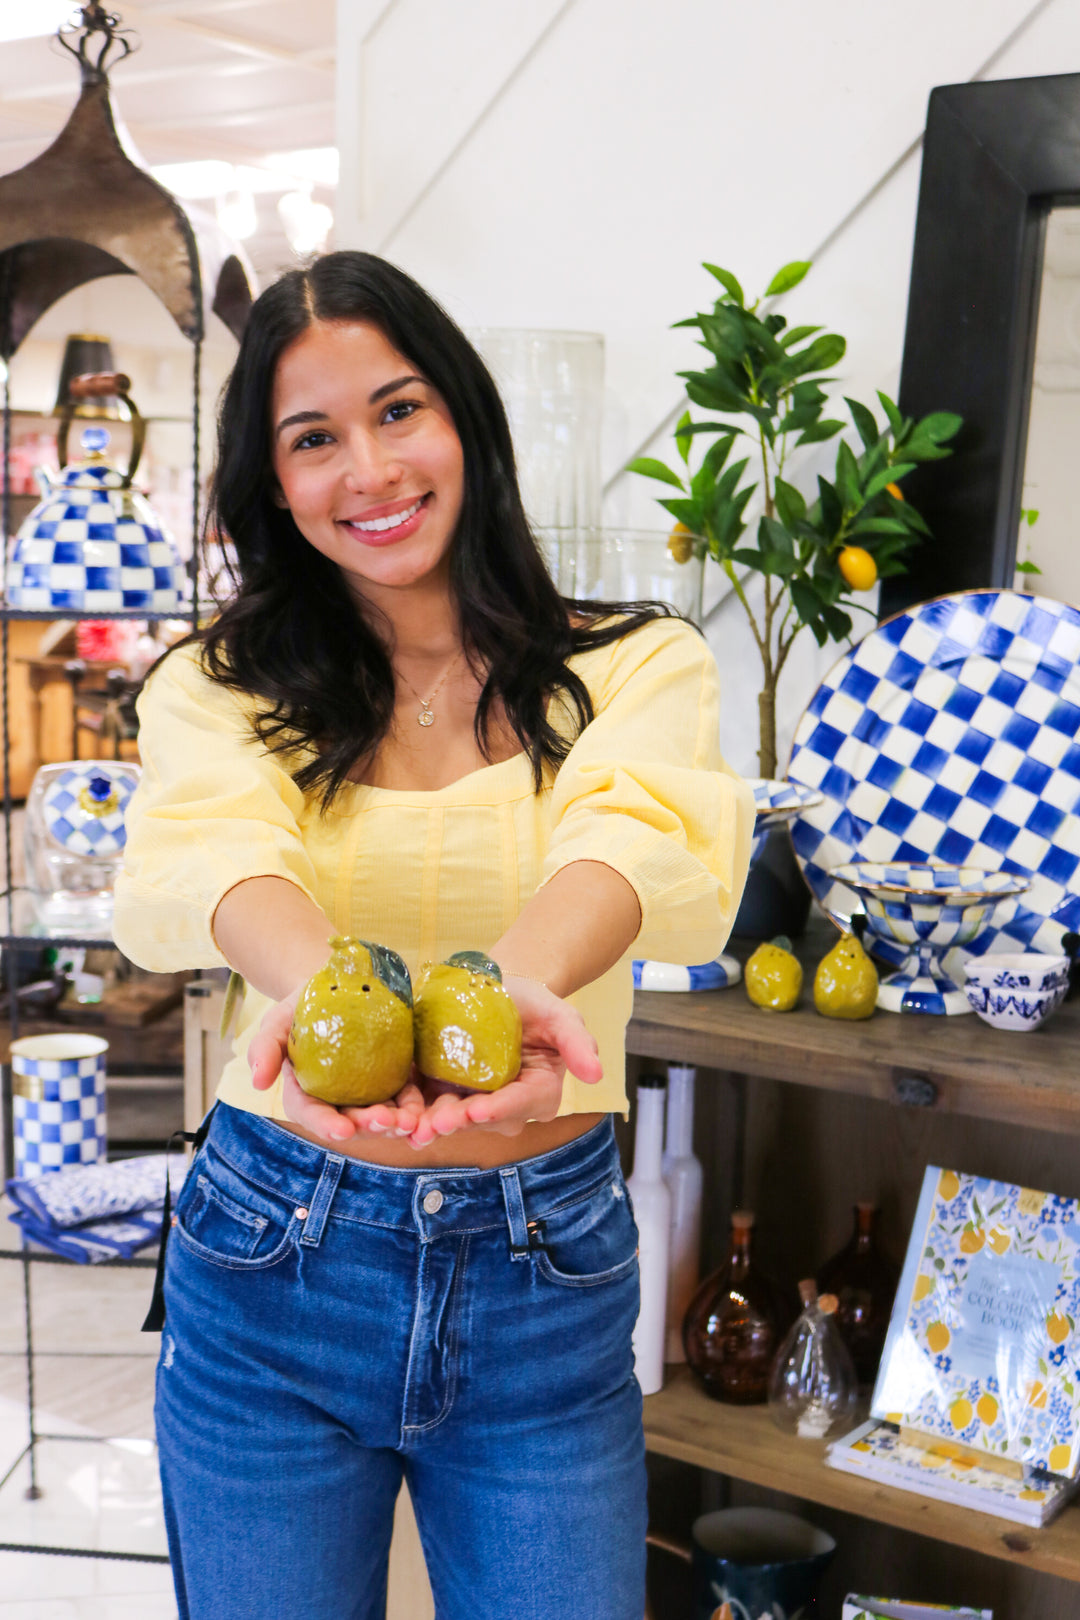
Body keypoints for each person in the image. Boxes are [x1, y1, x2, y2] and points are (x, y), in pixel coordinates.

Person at [112, 249, 753, 1620]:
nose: (371, 469)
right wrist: (319, 988)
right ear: (272, 485)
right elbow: (221, 849)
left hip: (547, 1265)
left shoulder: (637, 661)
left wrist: (513, 988)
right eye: (313, 438)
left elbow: (638, 836)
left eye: (400, 411)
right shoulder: (213, 689)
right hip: (274, 1250)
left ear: (466, 418)